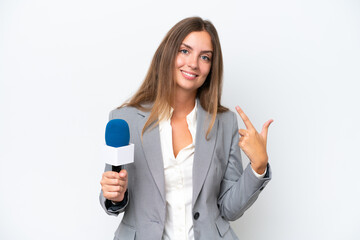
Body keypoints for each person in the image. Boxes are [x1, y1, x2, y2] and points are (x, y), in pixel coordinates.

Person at [99, 16, 273, 240]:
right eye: (184, 51)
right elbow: (113, 193)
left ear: (211, 67)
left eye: (205, 57)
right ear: (168, 53)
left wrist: (258, 167)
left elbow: (229, 208)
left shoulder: (224, 122)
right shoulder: (125, 120)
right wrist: (115, 195)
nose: (193, 63)